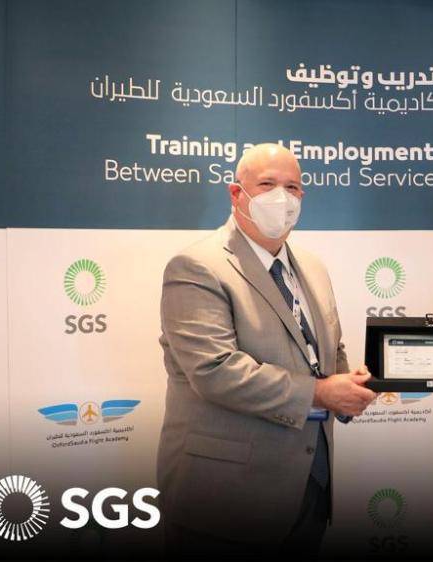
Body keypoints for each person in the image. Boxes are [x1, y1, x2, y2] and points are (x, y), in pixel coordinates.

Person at [156, 143, 375, 558]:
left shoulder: (312, 266)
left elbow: (328, 347)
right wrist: (320, 393)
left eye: (292, 187)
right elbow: (215, 371)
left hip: (309, 485)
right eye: (267, 185)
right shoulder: (197, 267)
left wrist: (350, 386)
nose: (282, 198)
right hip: (225, 499)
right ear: (236, 193)